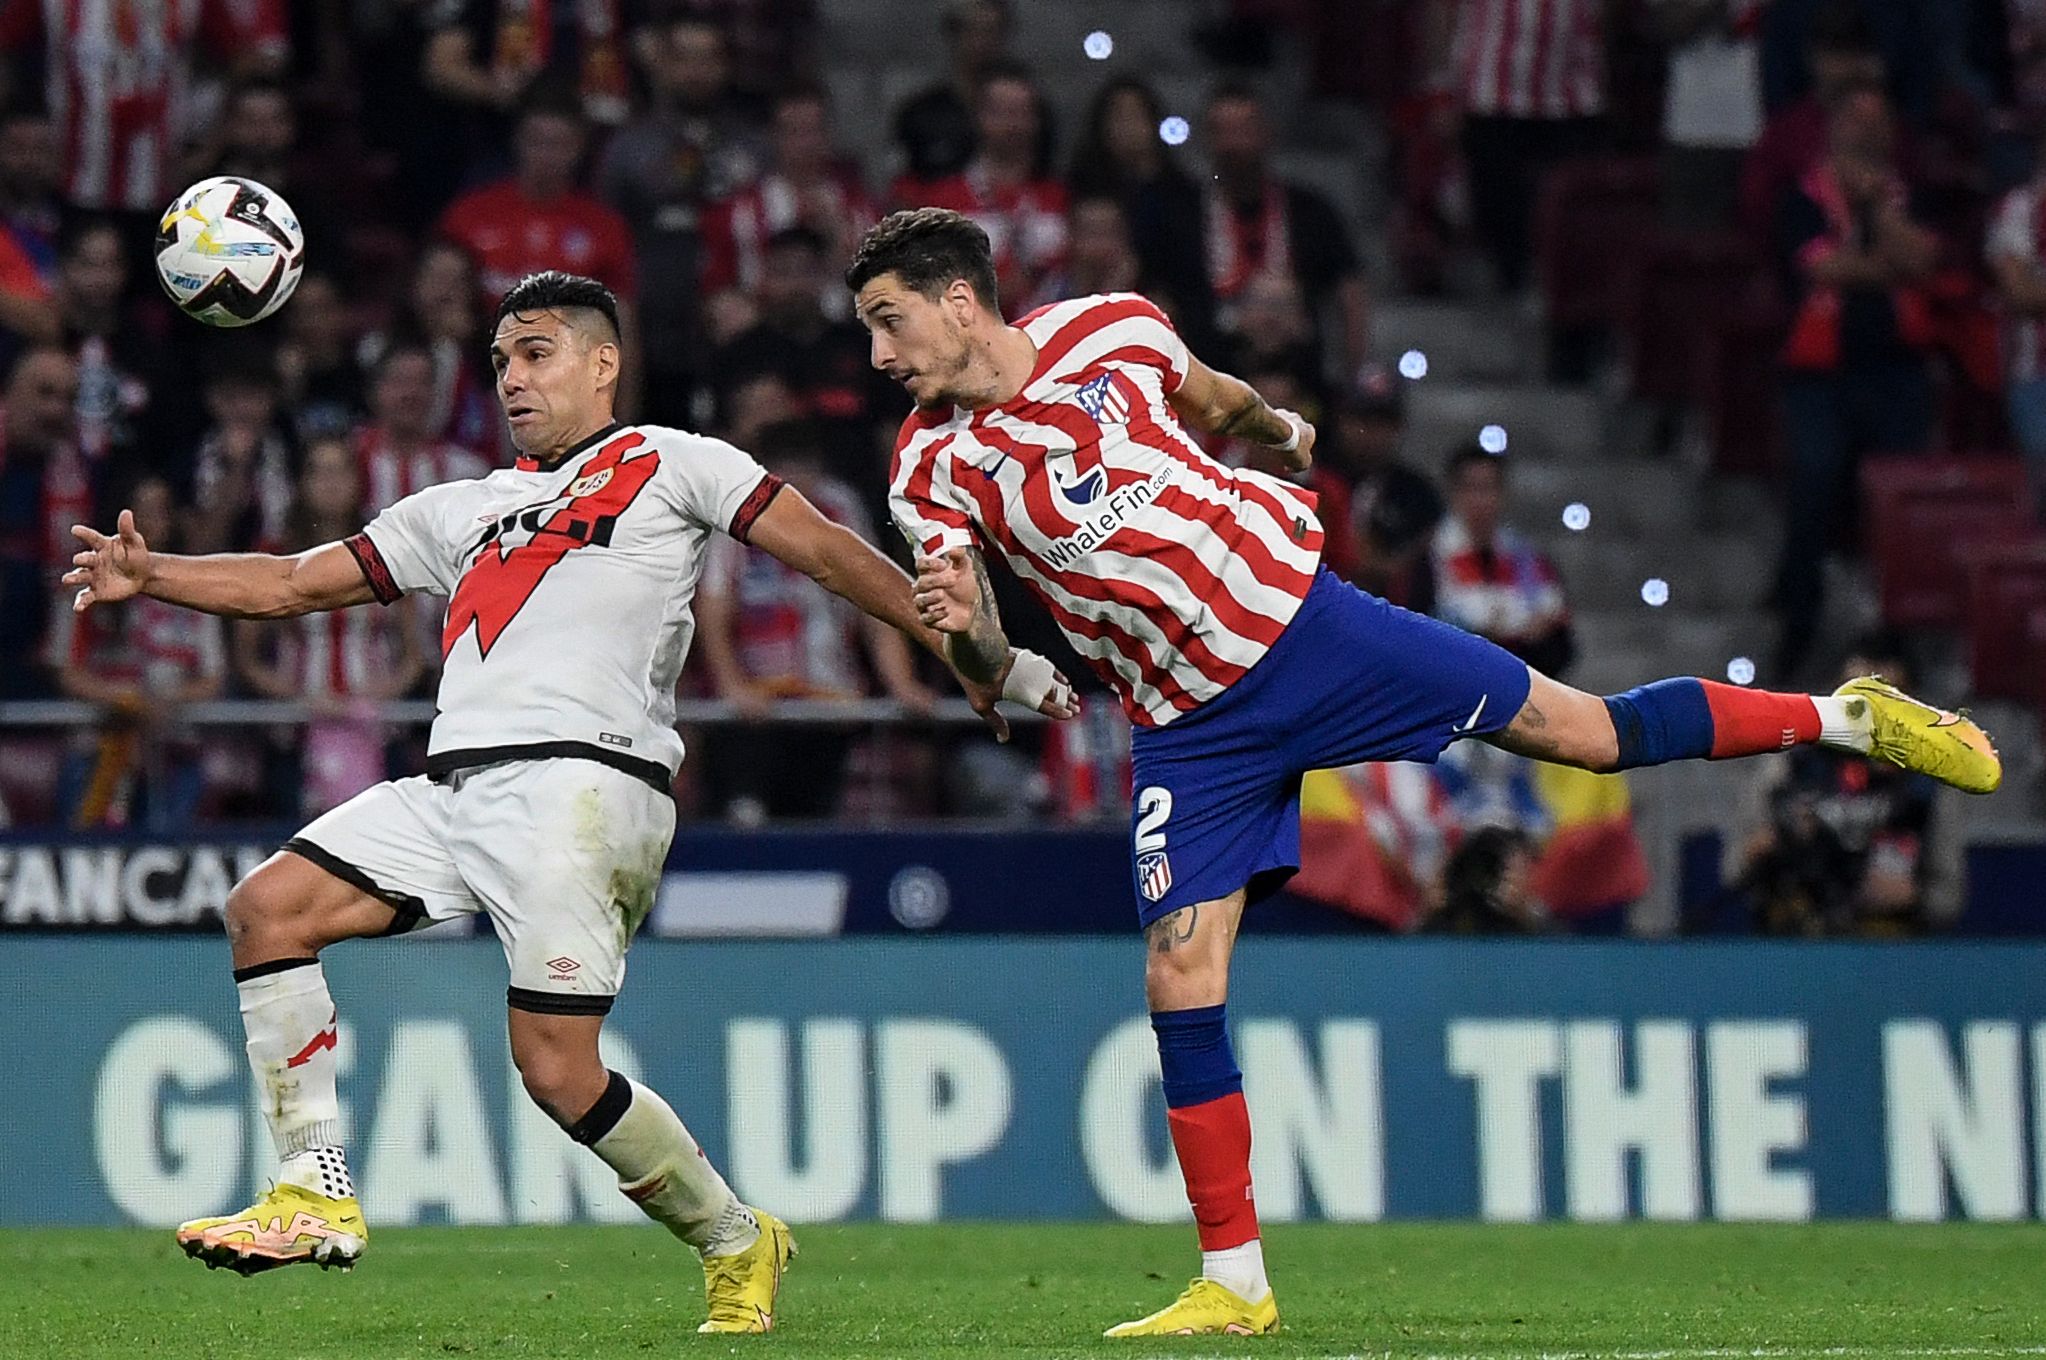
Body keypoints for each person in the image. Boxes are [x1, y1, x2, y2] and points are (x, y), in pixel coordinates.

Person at [847, 207, 2001, 1337]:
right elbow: (981, 645)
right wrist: (968, 634)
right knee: (1178, 977)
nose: (880, 354)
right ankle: (1235, 1284)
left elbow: (1212, 397)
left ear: (961, 301)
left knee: (1585, 733)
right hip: (1190, 726)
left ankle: (1846, 717)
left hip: (1309, 631)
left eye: (890, 321)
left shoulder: (1110, 329)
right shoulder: (929, 466)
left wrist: (1282, 431)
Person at [62, 270, 1073, 1325]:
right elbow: (289, 583)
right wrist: (157, 572)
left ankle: (736, 1237)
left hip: (586, 788)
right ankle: (313, 1192)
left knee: (555, 1067)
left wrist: (963, 648)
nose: (512, 377)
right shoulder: (460, 508)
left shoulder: (676, 463)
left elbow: (824, 552)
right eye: (500, 359)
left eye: (536, 352)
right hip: (454, 787)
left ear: (604, 363)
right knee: (265, 909)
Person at [1199, 85, 1369, 381]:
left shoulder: (1311, 211)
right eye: (1222, 132)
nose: (1233, 145)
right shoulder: (1183, 212)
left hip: (1301, 382)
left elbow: (1350, 291)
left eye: (1243, 130)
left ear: (1267, 133)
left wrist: (1353, 373)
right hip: (1208, 382)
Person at [1428, 445, 1575, 679]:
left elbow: (1552, 609)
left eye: (1488, 488)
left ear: (1503, 494)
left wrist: (1510, 626)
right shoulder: (1429, 555)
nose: (1480, 500)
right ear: (1453, 492)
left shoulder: (1526, 556)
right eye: (1471, 488)